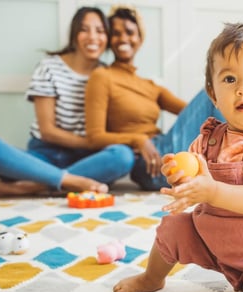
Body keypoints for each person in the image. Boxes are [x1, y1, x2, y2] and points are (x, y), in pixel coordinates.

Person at [110, 23, 243, 292]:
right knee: (173, 228)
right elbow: (193, 183)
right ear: (213, 95)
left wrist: (212, 192)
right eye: (230, 79)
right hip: (215, 244)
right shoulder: (208, 138)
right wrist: (178, 177)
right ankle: (151, 278)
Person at [0, 7, 134, 199]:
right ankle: (70, 182)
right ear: (74, 34)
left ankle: (30, 187)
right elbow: (47, 131)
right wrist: (92, 142)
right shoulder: (49, 67)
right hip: (42, 158)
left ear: (107, 38)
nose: (93, 37)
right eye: (84, 29)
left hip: (87, 160)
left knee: (123, 156)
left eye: (100, 31)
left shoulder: (108, 74)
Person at [84, 5, 224, 191]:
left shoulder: (150, 86)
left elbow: (198, 111)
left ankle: (235, 160)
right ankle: (233, 165)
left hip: (166, 148)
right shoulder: (102, 76)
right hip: (148, 163)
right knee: (215, 89)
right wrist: (138, 139)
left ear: (140, 39)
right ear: (109, 40)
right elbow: (95, 137)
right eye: (116, 33)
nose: (123, 38)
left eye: (129, 32)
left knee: (218, 94)